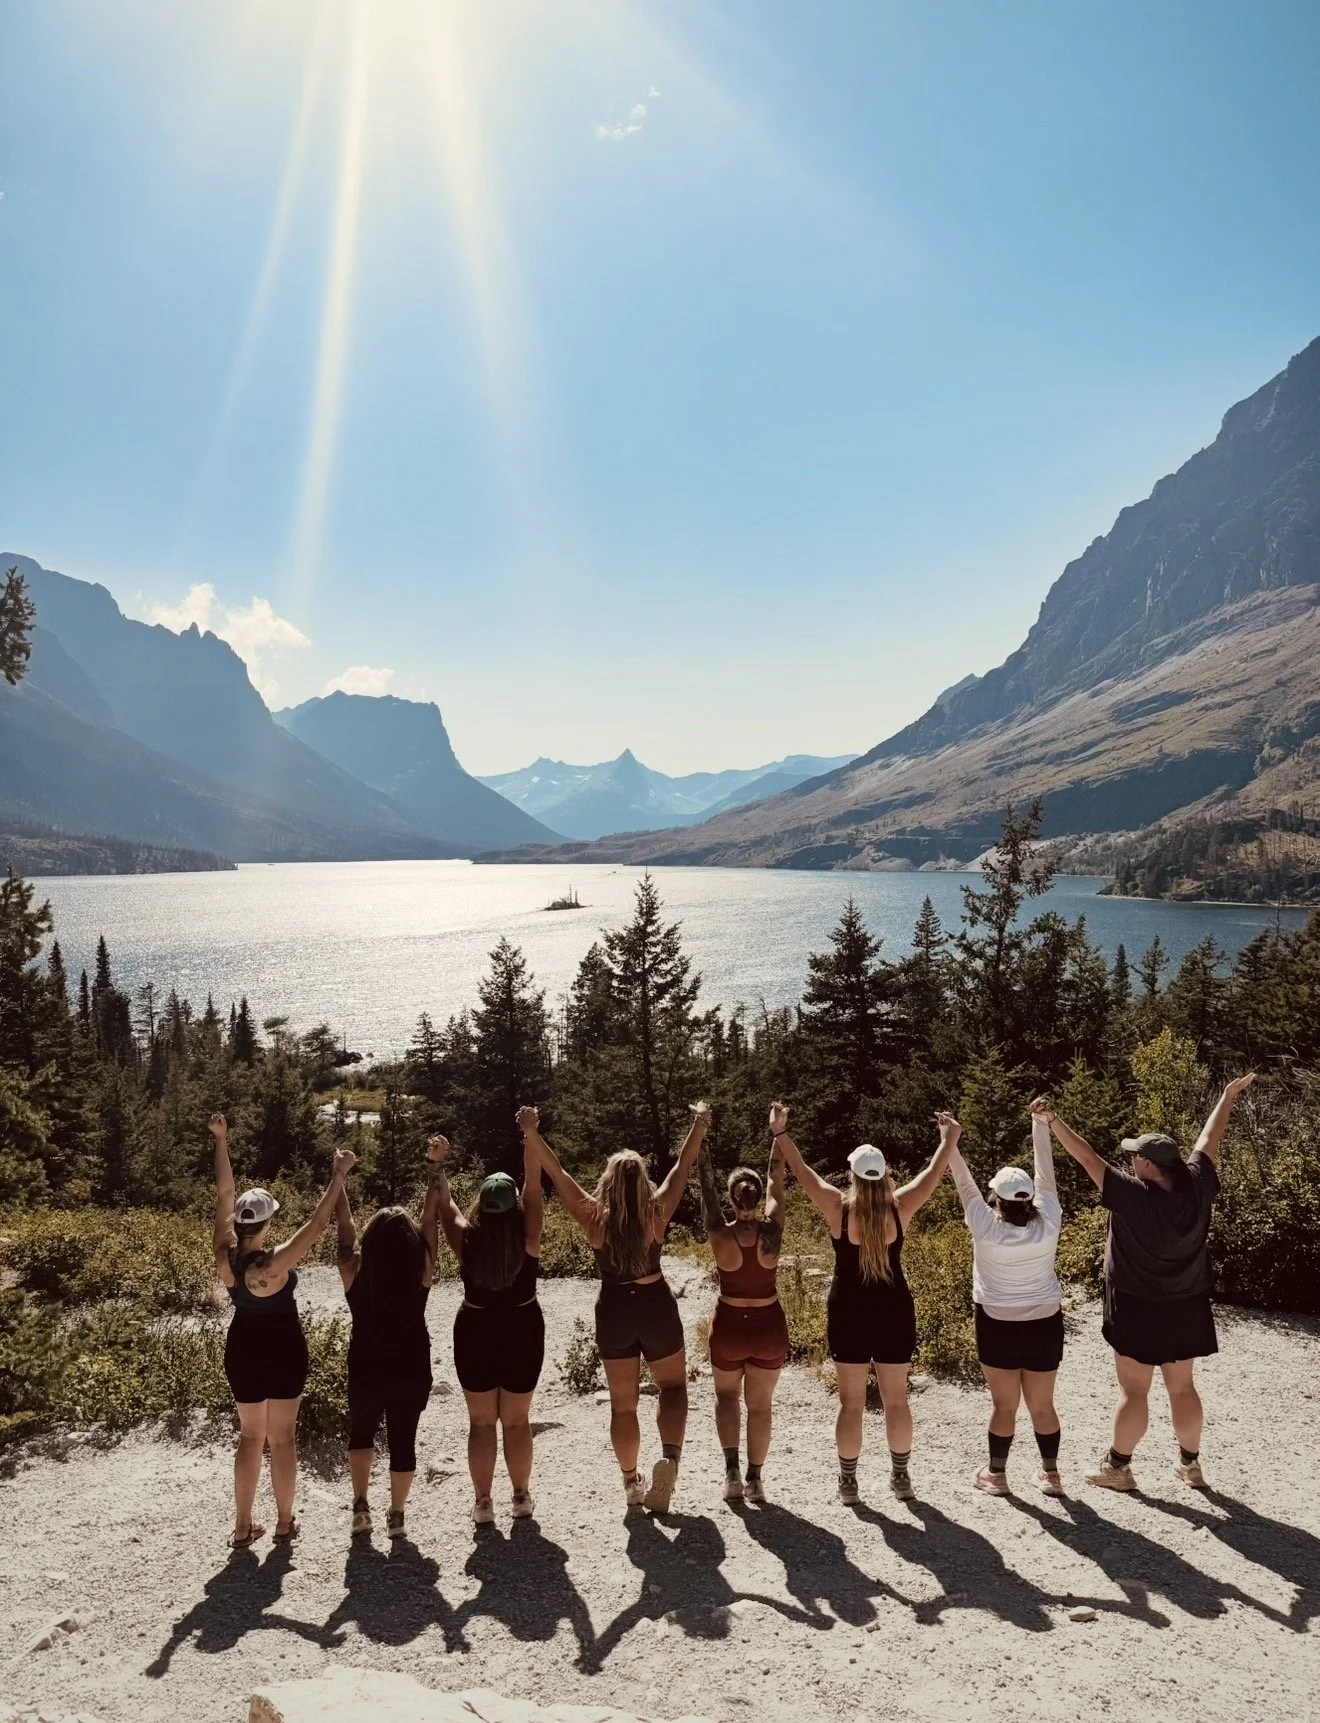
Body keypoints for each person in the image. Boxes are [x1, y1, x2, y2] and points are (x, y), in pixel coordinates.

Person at [1041, 1073, 1257, 1492]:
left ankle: (1119, 1469)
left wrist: (1053, 1122)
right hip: (1188, 1301)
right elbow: (1211, 1137)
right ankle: (1190, 1466)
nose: (1130, 1160)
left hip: (1137, 1305)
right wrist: (1227, 1096)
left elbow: (1087, 1159)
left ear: (1147, 1165)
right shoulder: (1196, 1183)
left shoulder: (1131, 1193)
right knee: (1183, 1388)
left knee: (1135, 1391)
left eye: (1135, 1156)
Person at [528, 1102, 709, 1513]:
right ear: (643, 1183)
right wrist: (698, 1123)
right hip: (655, 1304)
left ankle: (631, 1482)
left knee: (623, 1404)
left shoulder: (595, 1219)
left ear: (608, 1183)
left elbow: (558, 1174)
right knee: (673, 1388)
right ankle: (670, 1459)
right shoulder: (657, 1212)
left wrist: (533, 1133)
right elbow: (683, 1164)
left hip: (614, 1309)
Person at [776, 1103, 959, 1505]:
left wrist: (780, 1133)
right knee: (897, 1401)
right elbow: (933, 1174)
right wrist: (949, 1139)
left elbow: (804, 1173)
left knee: (852, 1404)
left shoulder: (837, 1208)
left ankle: (848, 1483)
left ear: (854, 1176)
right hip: (894, 1311)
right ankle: (901, 1477)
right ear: (886, 1176)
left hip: (849, 1314)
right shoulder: (902, 1205)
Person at [210, 1112, 355, 1547]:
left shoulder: (225, 1254)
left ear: (239, 1223)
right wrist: (339, 1175)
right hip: (284, 1346)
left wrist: (222, 1141)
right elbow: (316, 1226)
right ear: (268, 1223)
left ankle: (241, 1525)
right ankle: (284, 1522)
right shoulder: (273, 1265)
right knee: (284, 1438)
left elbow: (224, 1191)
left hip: (243, 1346)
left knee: (250, 1436)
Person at [425, 1115, 546, 1526]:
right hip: (522, 1329)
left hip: (475, 1330)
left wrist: (436, 1163)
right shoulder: (529, 1236)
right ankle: (521, 1496)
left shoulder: (468, 1240)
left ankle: (482, 1502)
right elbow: (534, 1185)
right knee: (516, 1420)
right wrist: (529, 1134)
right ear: (515, 1206)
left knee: (480, 1423)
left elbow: (445, 1205)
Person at [948, 1100, 1065, 1496]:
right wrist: (1039, 1122)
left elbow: (964, 1183)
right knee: (1043, 1406)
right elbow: (1045, 1172)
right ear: (1030, 1197)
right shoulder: (1048, 1220)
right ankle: (1050, 1474)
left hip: (996, 1322)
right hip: (1045, 1323)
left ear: (994, 1198)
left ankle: (997, 1476)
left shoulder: (984, 1226)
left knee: (1004, 1405)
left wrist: (952, 1141)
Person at [334, 1140, 445, 1539]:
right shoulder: (423, 1267)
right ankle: (396, 1516)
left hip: (367, 1362)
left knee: (361, 1431)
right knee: (404, 1439)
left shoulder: (354, 1270)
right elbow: (430, 1219)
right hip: (411, 1363)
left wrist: (340, 1178)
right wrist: (435, 1168)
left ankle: (361, 1505)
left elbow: (344, 1228)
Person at [698, 1128, 787, 1504]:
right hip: (768, 1325)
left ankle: (732, 1474)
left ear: (732, 1201)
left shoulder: (719, 1232)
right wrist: (777, 1132)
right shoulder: (774, 1229)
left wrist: (702, 1142)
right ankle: (756, 1479)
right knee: (761, 1406)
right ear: (758, 1198)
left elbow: (705, 1186)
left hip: (730, 1326)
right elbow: (776, 1178)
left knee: (726, 1397)